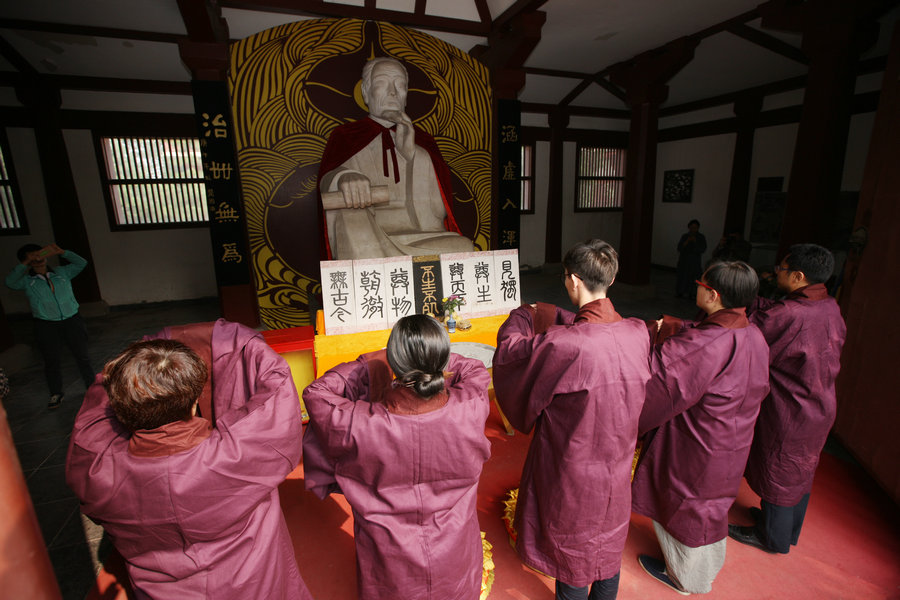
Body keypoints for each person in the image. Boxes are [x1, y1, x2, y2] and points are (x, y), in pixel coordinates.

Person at [66, 320, 312, 600]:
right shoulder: (238, 454)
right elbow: (276, 387)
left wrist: (141, 361)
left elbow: (96, 404)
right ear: (195, 403)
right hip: (251, 583)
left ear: (120, 407)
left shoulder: (97, 469)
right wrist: (239, 339)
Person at [492, 239, 651, 600]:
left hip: (573, 463)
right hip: (617, 460)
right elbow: (590, 322)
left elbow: (512, 352)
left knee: (574, 550)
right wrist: (551, 313)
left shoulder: (566, 344)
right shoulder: (636, 332)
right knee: (607, 541)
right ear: (610, 278)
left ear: (574, 280)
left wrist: (523, 315)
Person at [302, 314, 491, 600]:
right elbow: (474, 369)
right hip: (453, 549)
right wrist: (433, 359)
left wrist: (371, 363)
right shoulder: (470, 406)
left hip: (390, 559)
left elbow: (317, 393)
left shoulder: (360, 424)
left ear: (395, 361)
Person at [632, 261, 770, 594]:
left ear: (712, 294)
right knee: (711, 506)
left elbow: (661, 387)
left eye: (701, 284)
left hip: (696, 441)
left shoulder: (705, 343)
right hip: (733, 437)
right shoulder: (753, 334)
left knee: (685, 505)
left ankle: (686, 578)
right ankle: (702, 571)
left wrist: (627, 424)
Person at [729, 243, 846, 555]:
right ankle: (787, 528)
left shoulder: (791, 314)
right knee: (800, 471)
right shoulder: (829, 305)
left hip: (791, 408)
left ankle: (772, 538)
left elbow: (754, 335)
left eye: (781, 268)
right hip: (820, 403)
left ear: (798, 276)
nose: (777, 271)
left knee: (779, 467)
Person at [318, 56, 475, 259]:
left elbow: (438, 212)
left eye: (400, 85)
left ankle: (383, 261)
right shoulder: (346, 136)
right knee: (355, 227)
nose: (393, 92)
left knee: (463, 246)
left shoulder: (422, 141)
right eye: (382, 83)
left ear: (406, 96)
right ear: (366, 92)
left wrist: (413, 155)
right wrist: (343, 177)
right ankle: (381, 261)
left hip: (417, 237)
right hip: (367, 234)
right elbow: (326, 181)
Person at [5, 243, 94, 408]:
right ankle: (56, 393)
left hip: (72, 320)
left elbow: (81, 263)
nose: (38, 259)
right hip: (46, 324)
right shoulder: (27, 281)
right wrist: (25, 263)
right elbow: (10, 282)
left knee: (82, 356)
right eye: (32, 256)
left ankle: (92, 387)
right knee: (51, 360)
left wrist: (63, 252)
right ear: (27, 261)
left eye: (40, 254)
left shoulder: (61, 273)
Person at [675, 220, 707, 298]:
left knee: (693, 278)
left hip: (694, 261)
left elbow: (702, 249)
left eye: (695, 228)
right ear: (689, 227)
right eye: (692, 227)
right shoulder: (685, 236)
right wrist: (687, 242)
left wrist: (695, 242)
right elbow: (679, 248)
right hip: (684, 260)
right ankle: (680, 292)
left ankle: (692, 293)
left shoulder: (701, 237)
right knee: (682, 276)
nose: (693, 229)